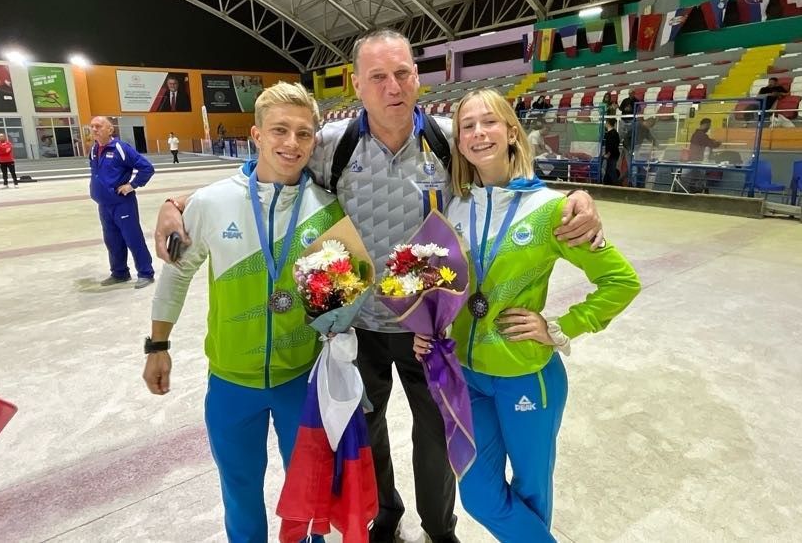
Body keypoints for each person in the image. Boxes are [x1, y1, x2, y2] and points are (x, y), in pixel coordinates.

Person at [153, 29, 603, 543]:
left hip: (429, 326)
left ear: (417, 78)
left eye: (403, 74)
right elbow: (269, 170)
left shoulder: (448, 138)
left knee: (436, 436)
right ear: (357, 84)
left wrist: (575, 199)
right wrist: (179, 202)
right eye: (379, 77)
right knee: (365, 431)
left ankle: (439, 527)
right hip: (356, 324)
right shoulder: (330, 143)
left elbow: (504, 173)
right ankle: (384, 515)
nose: (394, 87)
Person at [414, 88, 640, 543]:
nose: (479, 133)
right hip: (466, 377)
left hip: (527, 375)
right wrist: (429, 327)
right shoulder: (453, 208)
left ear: (512, 132)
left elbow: (621, 281)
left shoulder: (552, 210)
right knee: (478, 495)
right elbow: (440, 284)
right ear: (459, 142)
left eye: (489, 122)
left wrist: (560, 327)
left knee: (532, 492)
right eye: (467, 126)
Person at [145, 82, 338, 543]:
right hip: (232, 383)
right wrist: (157, 345)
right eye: (279, 130)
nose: (291, 143)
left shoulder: (328, 209)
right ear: (256, 135)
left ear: (314, 140)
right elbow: (176, 274)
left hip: (302, 380)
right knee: (240, 492)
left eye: (303, 133)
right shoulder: (212, 201)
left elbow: (339, 293)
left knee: (310, 497)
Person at [89, 116, 155, 289]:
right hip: (104, 204)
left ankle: (146, 273)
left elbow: (147, 168)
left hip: (122, 204)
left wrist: (132, 185)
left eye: (98, 126)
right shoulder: (94, 149)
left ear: (110, 129)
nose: (94, 129)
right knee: (112, 240)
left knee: (133, 238)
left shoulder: (121, 148)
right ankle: (119, 273)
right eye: (92, 126)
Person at [602, 117, 620, 185]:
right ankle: (606, 183)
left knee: (611, 170)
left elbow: (612, 145)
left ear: (608, 123)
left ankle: (616, 184)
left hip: (612, 155)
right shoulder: (614, 133)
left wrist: (608, 154)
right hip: (614, 154)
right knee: (609, 170)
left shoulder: (611, 134)